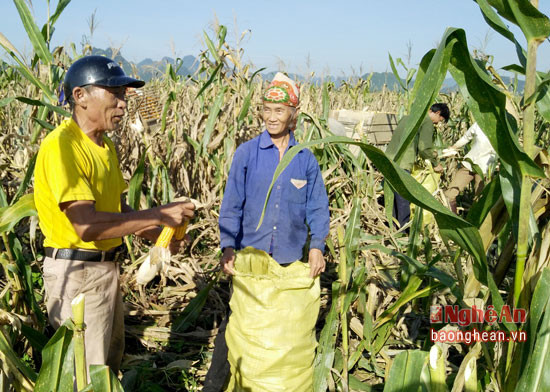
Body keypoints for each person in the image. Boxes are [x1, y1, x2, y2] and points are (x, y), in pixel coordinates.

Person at [34, 55, 195, 374]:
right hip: (76, 274)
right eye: (114, 94)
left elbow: (116, 210)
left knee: (107, 367)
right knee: (86, 376)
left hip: (104, 271)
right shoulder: (63, 146)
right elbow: (87, 225)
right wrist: (160, 214)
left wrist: (158, 238)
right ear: (80, 96)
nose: (123, 104)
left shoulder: (105, 148)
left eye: (123, 95)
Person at [203, 72, 330, 391]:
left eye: (280, 111)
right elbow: (232, 203)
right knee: (238, 326)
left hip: (288, 258)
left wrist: (317, 245)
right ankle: (215, 386)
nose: (272, 117)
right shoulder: (247, 154)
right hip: (252, 260)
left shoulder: (305, 159)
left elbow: (317, 206)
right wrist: (227, 245)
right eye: (267, 110)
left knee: (285, 329)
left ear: (294, 115)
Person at [384, 102, 450, 228]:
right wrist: (436, 164)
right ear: (437, 113)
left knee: (393, 195)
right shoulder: (426, 122)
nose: (437, 123)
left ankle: (393, 227)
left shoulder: (407, 118)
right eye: (439, 120)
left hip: (388, 159)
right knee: (404, 195)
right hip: (403, 162)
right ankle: (403, 228)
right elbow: (424, 148)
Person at [442, 122, 496, 213]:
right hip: (469, 164)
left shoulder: (501, 130)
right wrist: (454, 147)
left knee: (480, 200)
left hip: (485, 170)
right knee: (449, 194)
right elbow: (466, 137)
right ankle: (452, 221)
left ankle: (475, 223)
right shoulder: (479, 124)